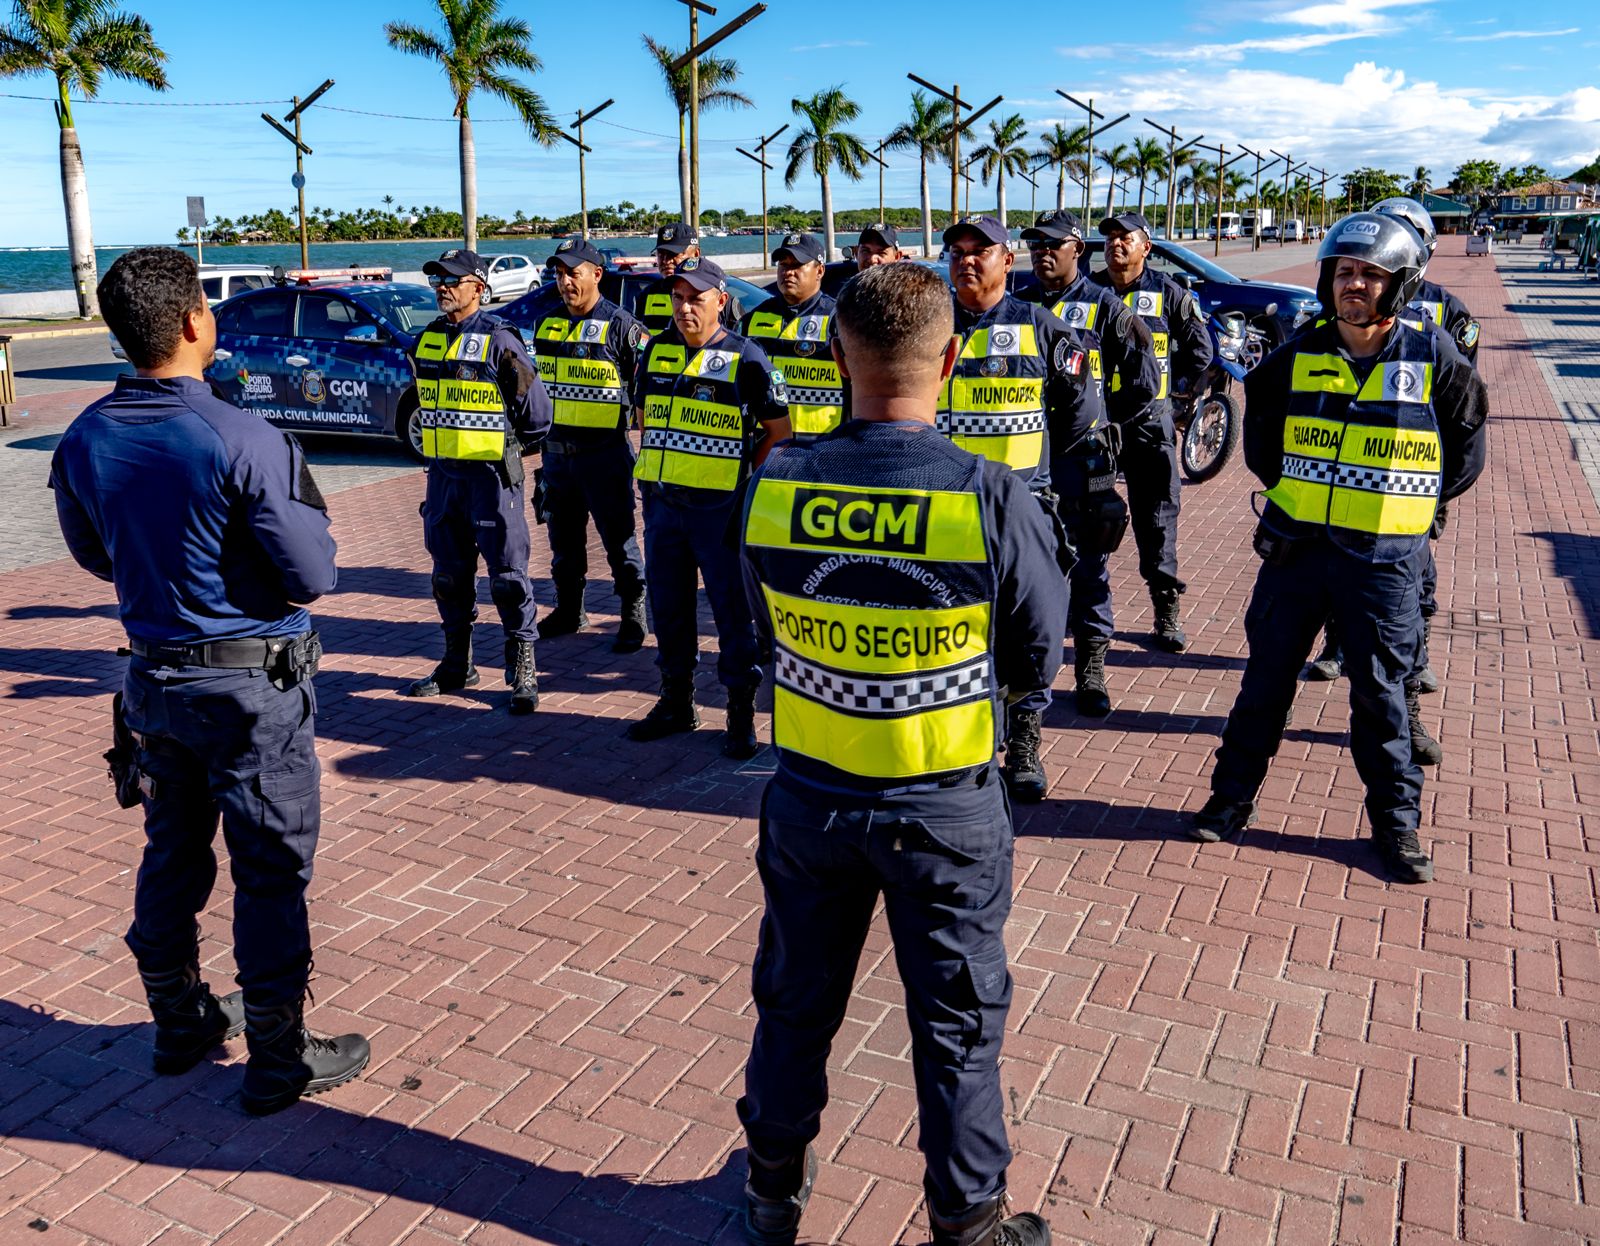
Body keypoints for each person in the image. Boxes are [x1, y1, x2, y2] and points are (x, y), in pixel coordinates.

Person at [737, 262, 1063, 1246]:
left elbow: (765, 627)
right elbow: (1037, 649)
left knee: (793, 1008)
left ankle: (769, 1196)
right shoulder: (990, 495)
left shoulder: (778, 480)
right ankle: (967, 1224)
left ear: (836, 354)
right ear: (952, 359)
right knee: (957, 1032)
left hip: (810, 802)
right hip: (945, 810)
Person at [48, 247, 369, 1114]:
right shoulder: (242, 434)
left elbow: (91, 555)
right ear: (195, 320)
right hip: (247, 695)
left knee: (172, 852)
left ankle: (179, 1019)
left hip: (154, 684)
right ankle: (277, 1055)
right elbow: (311, 574)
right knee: (268, 872)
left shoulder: (86, 434)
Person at [1190, 213, 1488, 883]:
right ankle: (1228, 801)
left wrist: (1407, 506)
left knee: (1382, 700)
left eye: (1370, 274)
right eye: (1343, 271)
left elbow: (1465, 453)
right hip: (1297, 556)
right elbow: (1263, 444)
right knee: (1262, 688)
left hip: (1384, 563)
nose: (1354, 284)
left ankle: (1396, 828)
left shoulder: (1433, 355)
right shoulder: (1296, 355)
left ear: (1402, 283)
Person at [1304, 197, 1480, 741]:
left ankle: (1410, 693)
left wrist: (1426, 486)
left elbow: (1461, 412)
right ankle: (1337, 646)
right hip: (1341, 485)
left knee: (1411, 590)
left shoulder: (1446, 314)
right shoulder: (1328, 318)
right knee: (1333, 572)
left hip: (1410, 490)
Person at [940, 214, 1103, 801]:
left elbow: (1082, 422)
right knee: (955, 633)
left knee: (1028, 634)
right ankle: (969, 740)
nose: (966, 259)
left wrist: (1084, 495)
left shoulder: (1044, 329)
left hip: (1021, 514)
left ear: (1008, 260)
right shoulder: (929, 328)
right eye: (956, 250)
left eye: (980, 250)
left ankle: (1027, 737)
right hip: (944, 513)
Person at [628, 257, 791, 757]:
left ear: (721, 300)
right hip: (662, 510)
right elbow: (642, 417)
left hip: (719, 514)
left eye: (696, 298)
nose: (684, 308)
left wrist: (742, 482)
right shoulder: (654, 351)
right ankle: (677, 701)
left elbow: (779, 434)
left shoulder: (747, 359)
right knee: (669, 611)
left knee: (731, 615)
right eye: (677, 298)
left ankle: (740, 714)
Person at [1018, 210, 1162, 716]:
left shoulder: (1106, 308)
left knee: (1088, 567)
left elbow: (1145, 381)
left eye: (1053, 244)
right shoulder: (1016, 307)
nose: (1041, 251)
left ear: (1077, 250)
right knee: (1028, 569)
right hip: (1029, 461)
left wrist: (1104, 422)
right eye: (1035, 243)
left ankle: (1091, 670)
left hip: (1087, 460)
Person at [403, 249, 552, 713]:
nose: (442, 288)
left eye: (451, 280)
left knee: (507, 578)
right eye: (437, 281)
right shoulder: (426, 341)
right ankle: (456, 664)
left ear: (478, 287)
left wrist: (508, 449)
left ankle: (522, 669)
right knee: (448, 576)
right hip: (444, 479)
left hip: (490, 480)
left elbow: (537, 416)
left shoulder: (500, 341)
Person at [1093, 211, 1214, 652]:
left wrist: (1171, 395)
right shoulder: (1088, 293)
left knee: (1158, 520)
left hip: (1148, 427)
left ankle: (1165, 612)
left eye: (1126, 238)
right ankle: (1081, 607)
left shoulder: (1170, 294)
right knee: (1084, 518)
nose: (1115, 245)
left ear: (1146, 247)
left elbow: (1201, 351)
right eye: (1109, 239)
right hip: (1095, 426)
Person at [528, 237, 649, 652]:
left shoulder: (624, 327)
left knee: (620, 540)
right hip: (558, 458)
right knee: (563, 542)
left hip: (606, 457)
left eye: (572, 273)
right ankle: (569, 609)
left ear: (596, 274)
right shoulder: (546, 325)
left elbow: (648, 390)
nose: (564, 282)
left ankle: (633, 614)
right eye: (559, 274)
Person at [741, 232, 843, 438]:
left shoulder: (838, 319)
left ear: (820, 270)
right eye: (783, 265)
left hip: (822, 446)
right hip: (766, 447)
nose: (788, 272)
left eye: (797, 265)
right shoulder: (753, 319)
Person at [638, 221, 743, 337]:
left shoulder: (717, 300)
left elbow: (740, 344)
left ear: (696, 254)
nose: (666, 261)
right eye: (661, 254)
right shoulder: (646, 296)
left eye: (673, 254)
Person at [820, 220, 903, 298]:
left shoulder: (907, 296)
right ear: (856, 253)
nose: (872, 259)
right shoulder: (838, 294)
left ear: (896, 257)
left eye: (881, 253)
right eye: (866, 251)